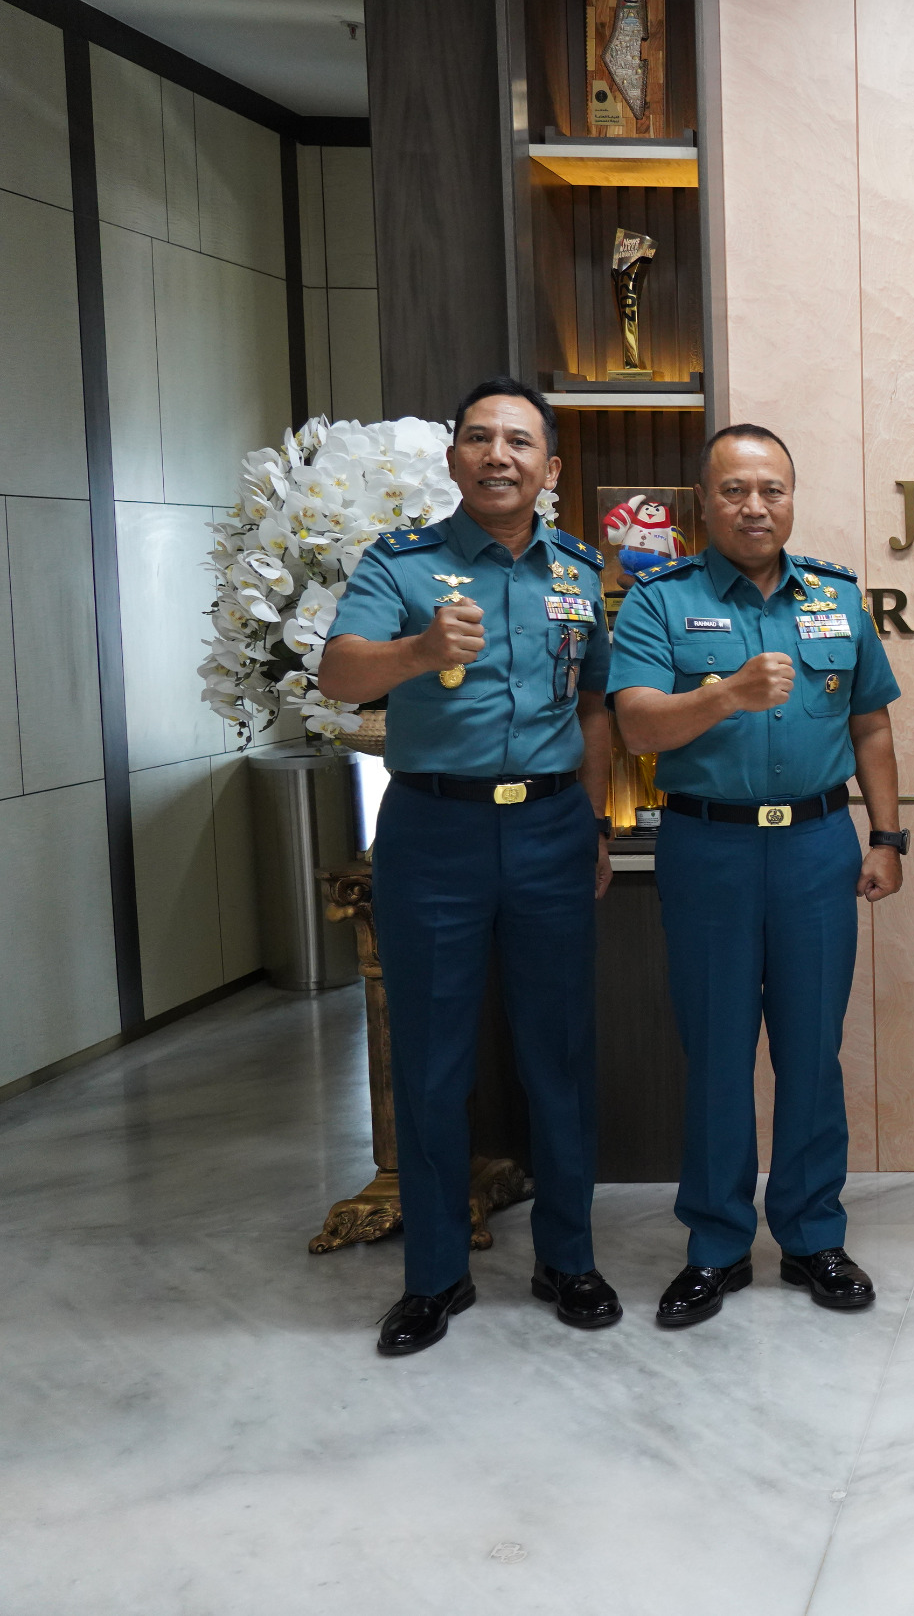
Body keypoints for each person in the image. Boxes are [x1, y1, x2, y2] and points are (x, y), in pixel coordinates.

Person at [317, 377, 618, 1356]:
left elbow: (595, 707)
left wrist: (598, 825)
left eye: (520, 442)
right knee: (435, 1062)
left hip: (548, 830)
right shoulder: (400, 563)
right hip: (434, 835)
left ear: (551, 468)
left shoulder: (577, 568)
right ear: (454, 460)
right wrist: (414, 649)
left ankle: (566, 1258)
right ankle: (435, 1274)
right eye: (480, 439)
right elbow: (337, 672)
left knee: (557, 1055)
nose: (499, 455)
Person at [607, 425, 906, 1328]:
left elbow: (872, 729)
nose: (755, 506)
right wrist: (725, 694)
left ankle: (813, 1235)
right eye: (735, 491)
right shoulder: (662, 601)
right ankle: (716, 1244)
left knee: (814, 1052)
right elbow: (637, 728)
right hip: (711, 850)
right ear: (705, 503)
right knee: (718, 1053)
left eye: (771, 489)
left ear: (791, 497)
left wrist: (888, 836)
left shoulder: (837, 600)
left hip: (818, 847)